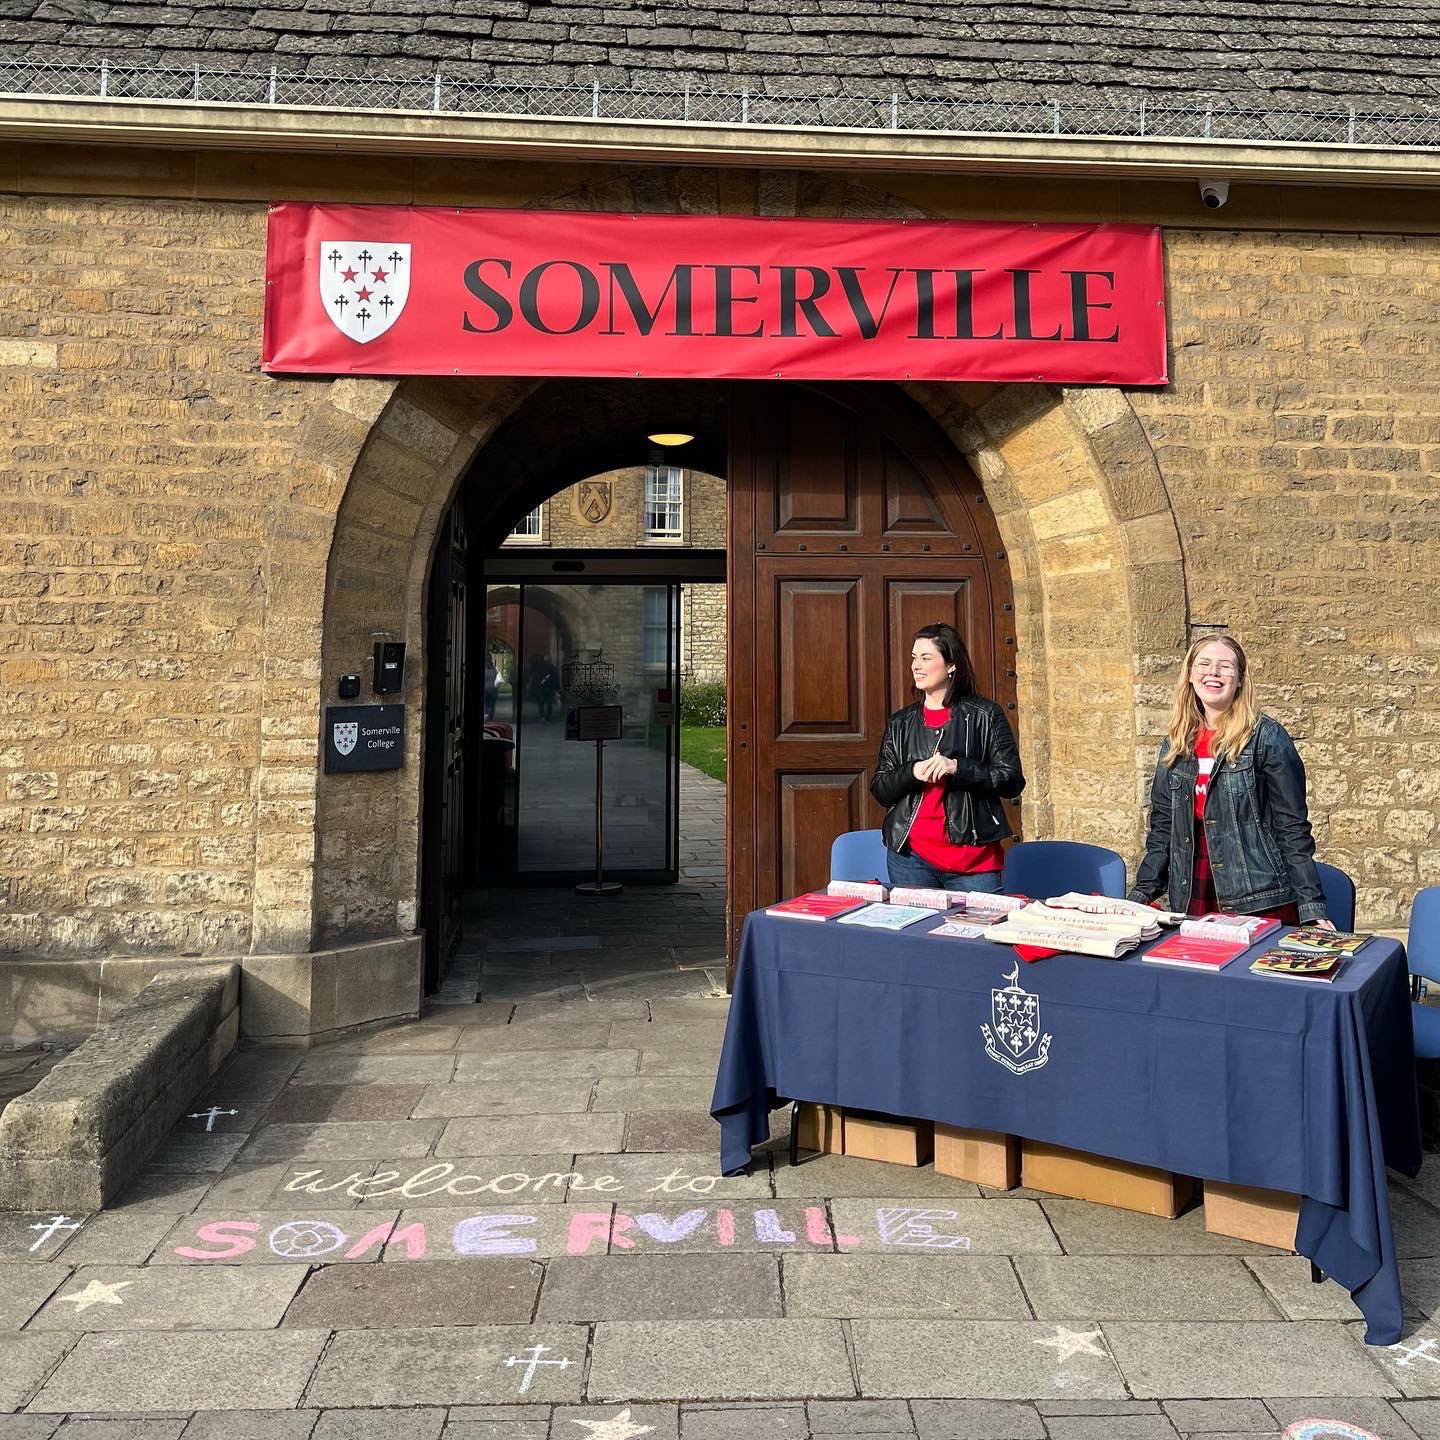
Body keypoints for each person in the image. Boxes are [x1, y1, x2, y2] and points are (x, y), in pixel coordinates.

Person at [1127, 634, 1334, 928]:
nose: (1213, 672)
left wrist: (1312, 906)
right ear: (1189, 675)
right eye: (1204, 664)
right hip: (1192, 892)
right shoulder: (1175, 744)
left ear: (1239, 680)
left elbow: (1292, 829)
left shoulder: (1267, 738)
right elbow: (1163, 830)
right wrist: (1141, 894)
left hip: (1260, 897)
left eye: (1225, 666)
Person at [870, 622, 1025, 893]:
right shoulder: (900, 722)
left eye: (926, 658)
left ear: (951, 665)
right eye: (914, 658)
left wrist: (958, 768)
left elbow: (1012, 780)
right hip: (910, 859)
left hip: (973, 861)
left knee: (979, 935)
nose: (916, 666)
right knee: (916, 935)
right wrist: (912, 772)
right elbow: (881, 788)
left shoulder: (985, 715)